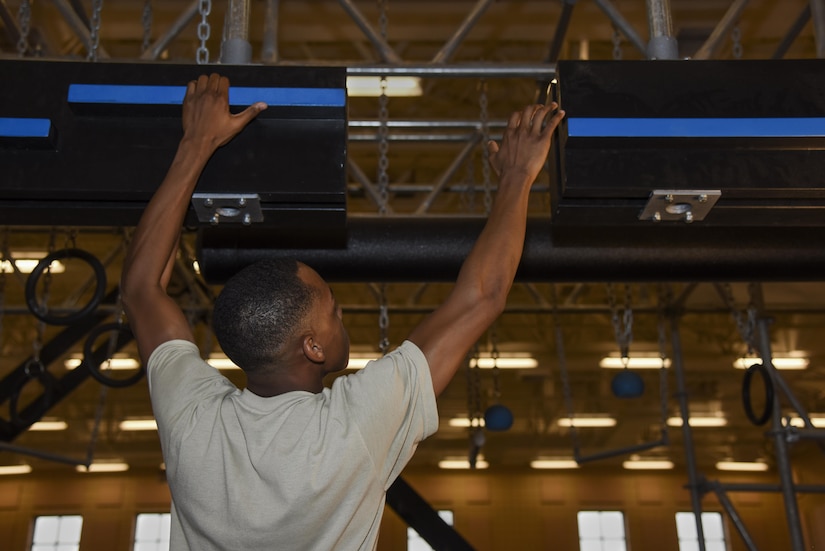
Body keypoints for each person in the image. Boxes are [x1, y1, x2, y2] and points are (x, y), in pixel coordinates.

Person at [121, 73, 565, 550]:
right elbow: (483, 294)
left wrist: (197, 143)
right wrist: (518, 177)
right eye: (333, 310)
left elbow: (140, 288)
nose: (342, 314)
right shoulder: (354, 424)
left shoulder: (191, 419)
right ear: (311, 347)